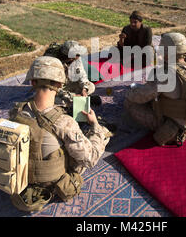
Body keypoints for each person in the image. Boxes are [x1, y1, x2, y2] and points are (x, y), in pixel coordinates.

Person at [9, 56, 110, 211]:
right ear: (59, 84)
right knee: (100, 137)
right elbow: (90, 158)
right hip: (50, 182)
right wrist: (95, 126)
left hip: (22, 176)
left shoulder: (16, 111)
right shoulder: (64, 122)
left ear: (33, 82)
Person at [123, 33, 186, 146]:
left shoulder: (166, 74)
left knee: (129, 102)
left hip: (174, 129)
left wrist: (129, 92)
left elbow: (140, 97)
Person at [41, 40, 96, 109]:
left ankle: (76, 98)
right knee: (54, 99)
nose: (77, 58)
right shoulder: (51, 62)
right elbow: (49, 86)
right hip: (54, 87)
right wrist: (72, 96)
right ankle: (72, 100)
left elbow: (81, 75)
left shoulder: (76, 59)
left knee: (91, 86)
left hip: (67, 84)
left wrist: (85, 89)